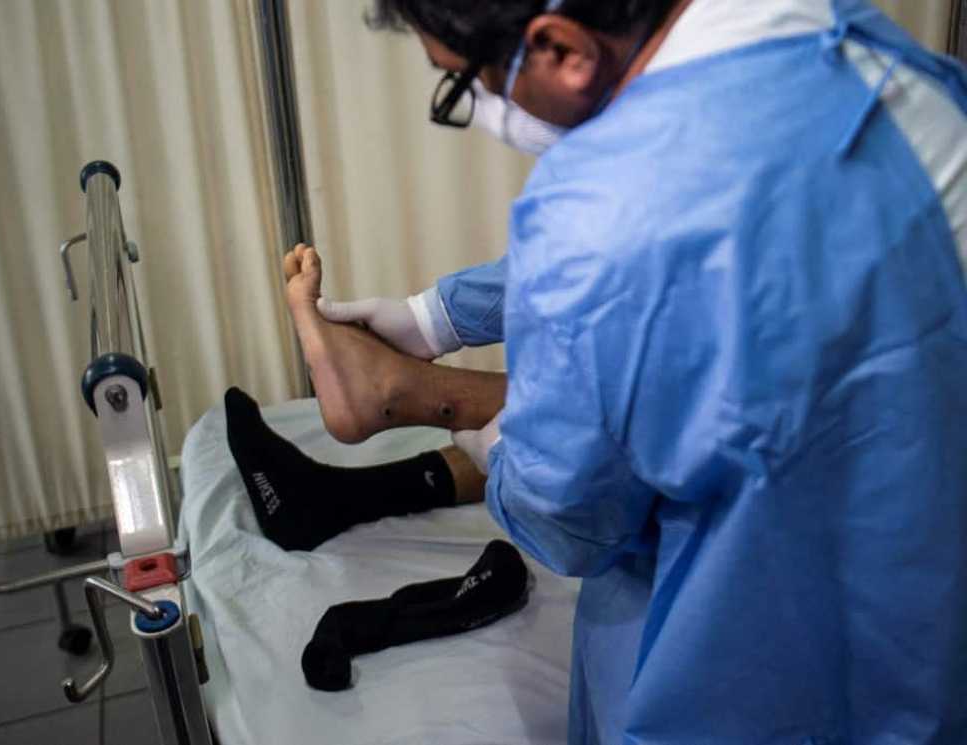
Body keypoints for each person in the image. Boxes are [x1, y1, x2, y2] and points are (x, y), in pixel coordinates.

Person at [234, 0, 967, 741]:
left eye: (465, 84)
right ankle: (399, 390)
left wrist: (491, 436)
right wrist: (437, 316)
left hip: (753, 676)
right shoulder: (882, 64)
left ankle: (412, 395)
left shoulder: (600, 214)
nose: (484, 107)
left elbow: (573, 519)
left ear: (560, 48)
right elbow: (684, 246)